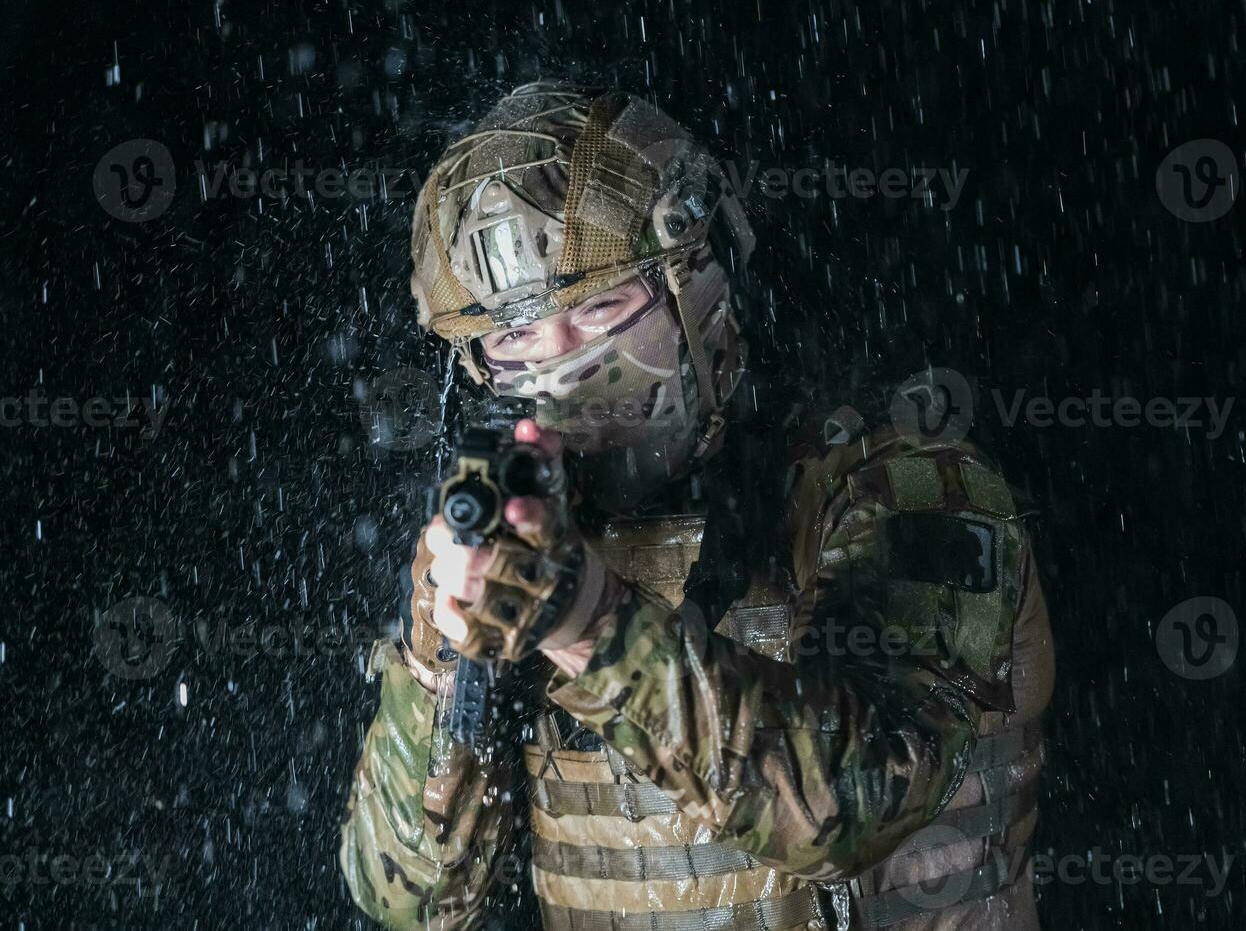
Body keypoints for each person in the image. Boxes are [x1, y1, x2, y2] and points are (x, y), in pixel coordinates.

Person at [339, 80, 1055, 931]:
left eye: (602, 306)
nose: (563, 366)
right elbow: (412, 901)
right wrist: (446, 657)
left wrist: (585, 622)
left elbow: (856, 806)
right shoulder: (513, 537)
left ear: (702, 286)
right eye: (515, 336)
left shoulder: (902, 485)